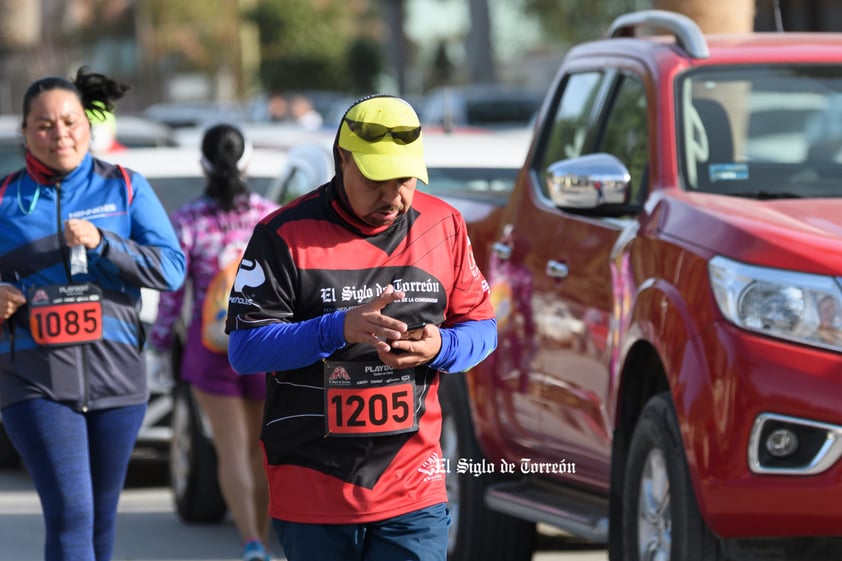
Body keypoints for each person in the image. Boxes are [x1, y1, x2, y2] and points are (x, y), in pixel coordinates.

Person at [225, 94, 497, 561]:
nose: (393, 196)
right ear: (343, 159)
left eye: (405, 179)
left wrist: (441, 346)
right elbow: (246, 349)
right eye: (376, 179)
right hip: (312, 487)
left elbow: (483, 328)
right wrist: (337, 329)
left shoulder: (444, 225)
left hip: (413, 486)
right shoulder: (282, 234)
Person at [0, 66, 186, 561]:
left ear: (88, 125)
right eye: (44, 125)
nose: (59, 133)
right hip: (33, 379)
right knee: (72, 513)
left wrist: (105, 243)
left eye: (70, 122)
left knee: (100, 523)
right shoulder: (4, 198)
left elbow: (171, 270)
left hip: (117, 379)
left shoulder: (125, 187)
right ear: (25, 132)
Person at [148, 123, 279, 561]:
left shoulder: (186, 221)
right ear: (248, 161)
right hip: (265, 343)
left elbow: (171, 293)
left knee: (230, 447)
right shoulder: (270, 216)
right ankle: (263, 530)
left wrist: (161, 343)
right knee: (263, 447)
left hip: (211, 347)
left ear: (203, 163)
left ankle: (251, 543)